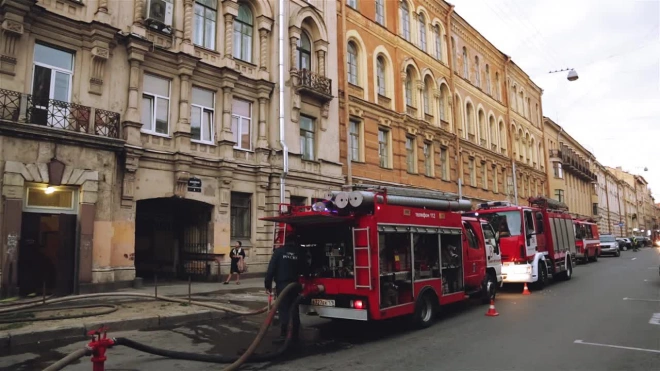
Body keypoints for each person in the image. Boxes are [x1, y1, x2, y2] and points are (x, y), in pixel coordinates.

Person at [264, 238, 308, 343]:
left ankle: (284, 334)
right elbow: (305, 268)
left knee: (283, 309)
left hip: (282, 285)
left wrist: (268, 285)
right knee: (294, 308)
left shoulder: (278, 252)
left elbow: (271, 269)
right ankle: (295, 334)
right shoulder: (299, 252)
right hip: (294, 285)